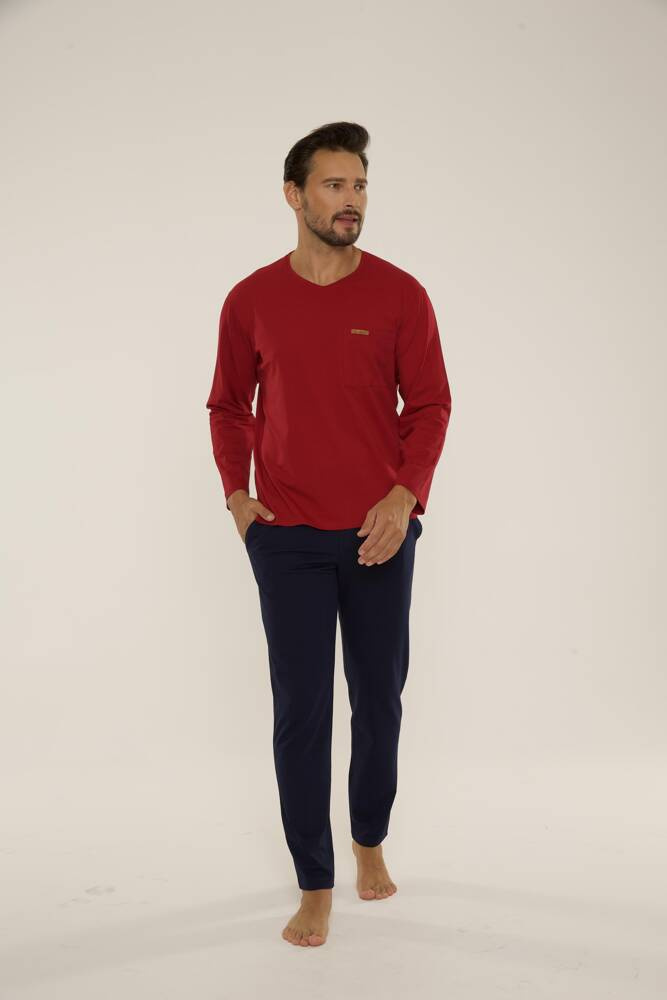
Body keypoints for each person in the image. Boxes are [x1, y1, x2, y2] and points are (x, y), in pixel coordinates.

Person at [205, 121, 452, 947]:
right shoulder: (250, 299)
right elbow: (228, 405)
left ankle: (368, 841)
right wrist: (236, 498)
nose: (352, 201)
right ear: (294, 195)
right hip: (285, 537)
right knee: (302, 711)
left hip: (380, 532)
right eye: (334, 186)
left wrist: (403, 496)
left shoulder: (400, 295)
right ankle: (314, 881)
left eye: (360, 186)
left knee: (378, 700)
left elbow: (429, 405)